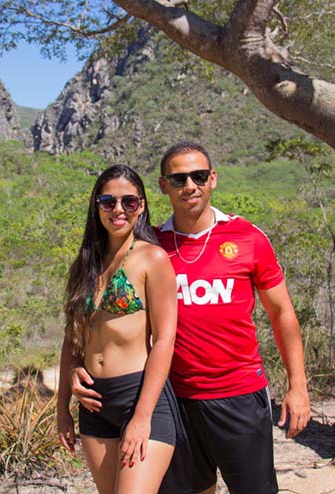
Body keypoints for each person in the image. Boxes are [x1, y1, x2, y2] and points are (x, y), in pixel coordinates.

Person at [72, 141, 311, 494]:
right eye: (179, 178)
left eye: (199, 176)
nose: (190, 186)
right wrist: (82, 364)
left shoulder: (247, 237)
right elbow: (100, 314)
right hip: (173, 399)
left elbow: (282, 313)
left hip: (238, 395)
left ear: (213, 179)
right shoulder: (150, 245)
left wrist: (298, 386)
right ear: (163, 186)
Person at [56, 165, 181, 494]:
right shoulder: (85, 264)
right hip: (93, 403)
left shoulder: (152, 258)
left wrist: (141, 417)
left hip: (138, 396)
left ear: (141, 206)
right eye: (108, 201)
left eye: (129, 202)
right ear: (96, 205)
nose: (118, 210)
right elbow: (72, 340)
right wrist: (63, 406)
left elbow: (165, 340)